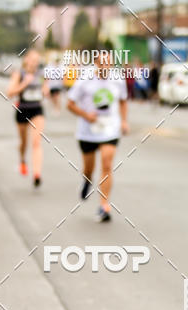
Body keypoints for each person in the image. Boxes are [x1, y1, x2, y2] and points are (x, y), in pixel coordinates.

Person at [66, 50, 128, 221]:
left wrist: (123, 121)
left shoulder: (117, 79)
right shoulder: (84, 80)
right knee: (89, 168)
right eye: (102, 63)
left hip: (109, 128)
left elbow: (123, 101)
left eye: (108, 63)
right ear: (96, 64)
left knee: (107, 164)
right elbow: (69, 104)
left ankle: (104, 206)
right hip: (87, 131)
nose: (105, 66)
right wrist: (86, 116)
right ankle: (87, 180)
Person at [7, 50, 48, 187]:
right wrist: (24, 83)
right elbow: (10, 93)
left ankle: (37, 174)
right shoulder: (19, 74)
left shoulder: (41, 74)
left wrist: (45, 90)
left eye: (37, 60)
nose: (34, 63)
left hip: (37, 110)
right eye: (32, 60)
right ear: (26, 60)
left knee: (36, 142)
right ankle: (23, 159)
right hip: (22, 110)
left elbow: (45, 88)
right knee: (24, 142)